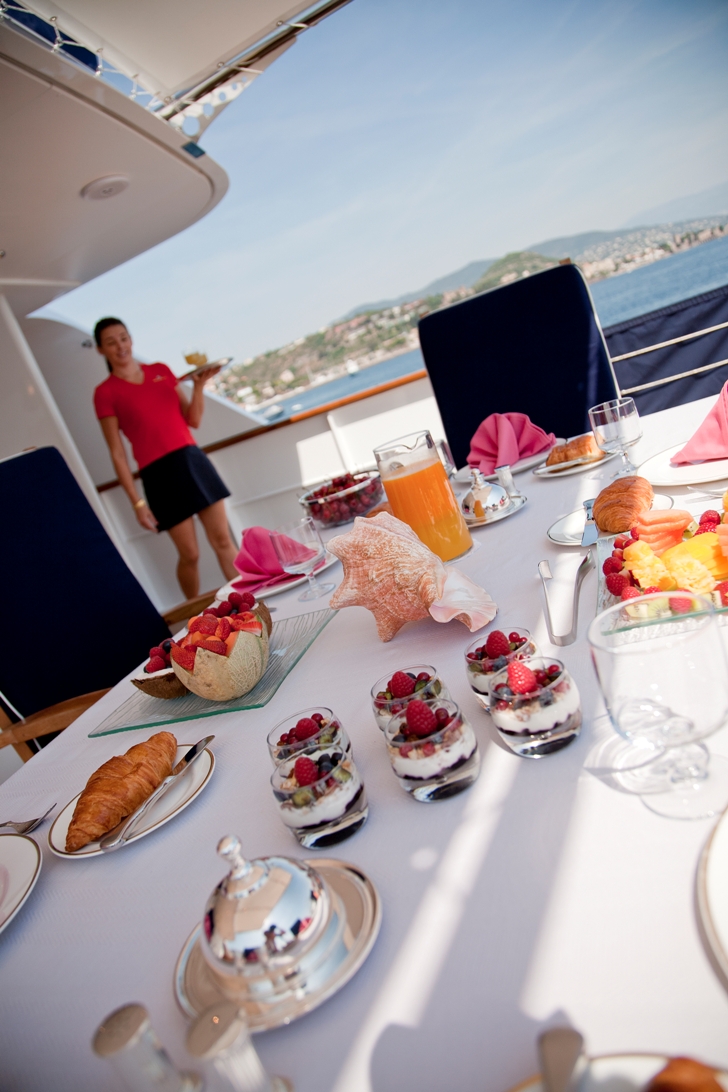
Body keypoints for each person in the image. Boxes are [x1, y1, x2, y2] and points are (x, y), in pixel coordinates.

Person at [93, 316, 239, 598]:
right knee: (190, 554)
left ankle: (252, 602)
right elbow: (117, 453)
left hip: (191, 460)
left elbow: (193, 420)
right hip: (158, 475)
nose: (120, 346)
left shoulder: (160, 370)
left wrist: (198, 387)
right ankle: (194, 612)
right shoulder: (104, 393)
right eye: (111, 342)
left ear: (131, 339)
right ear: (101, 349)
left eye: (123, 338)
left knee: (223, 539)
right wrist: (137, 503)